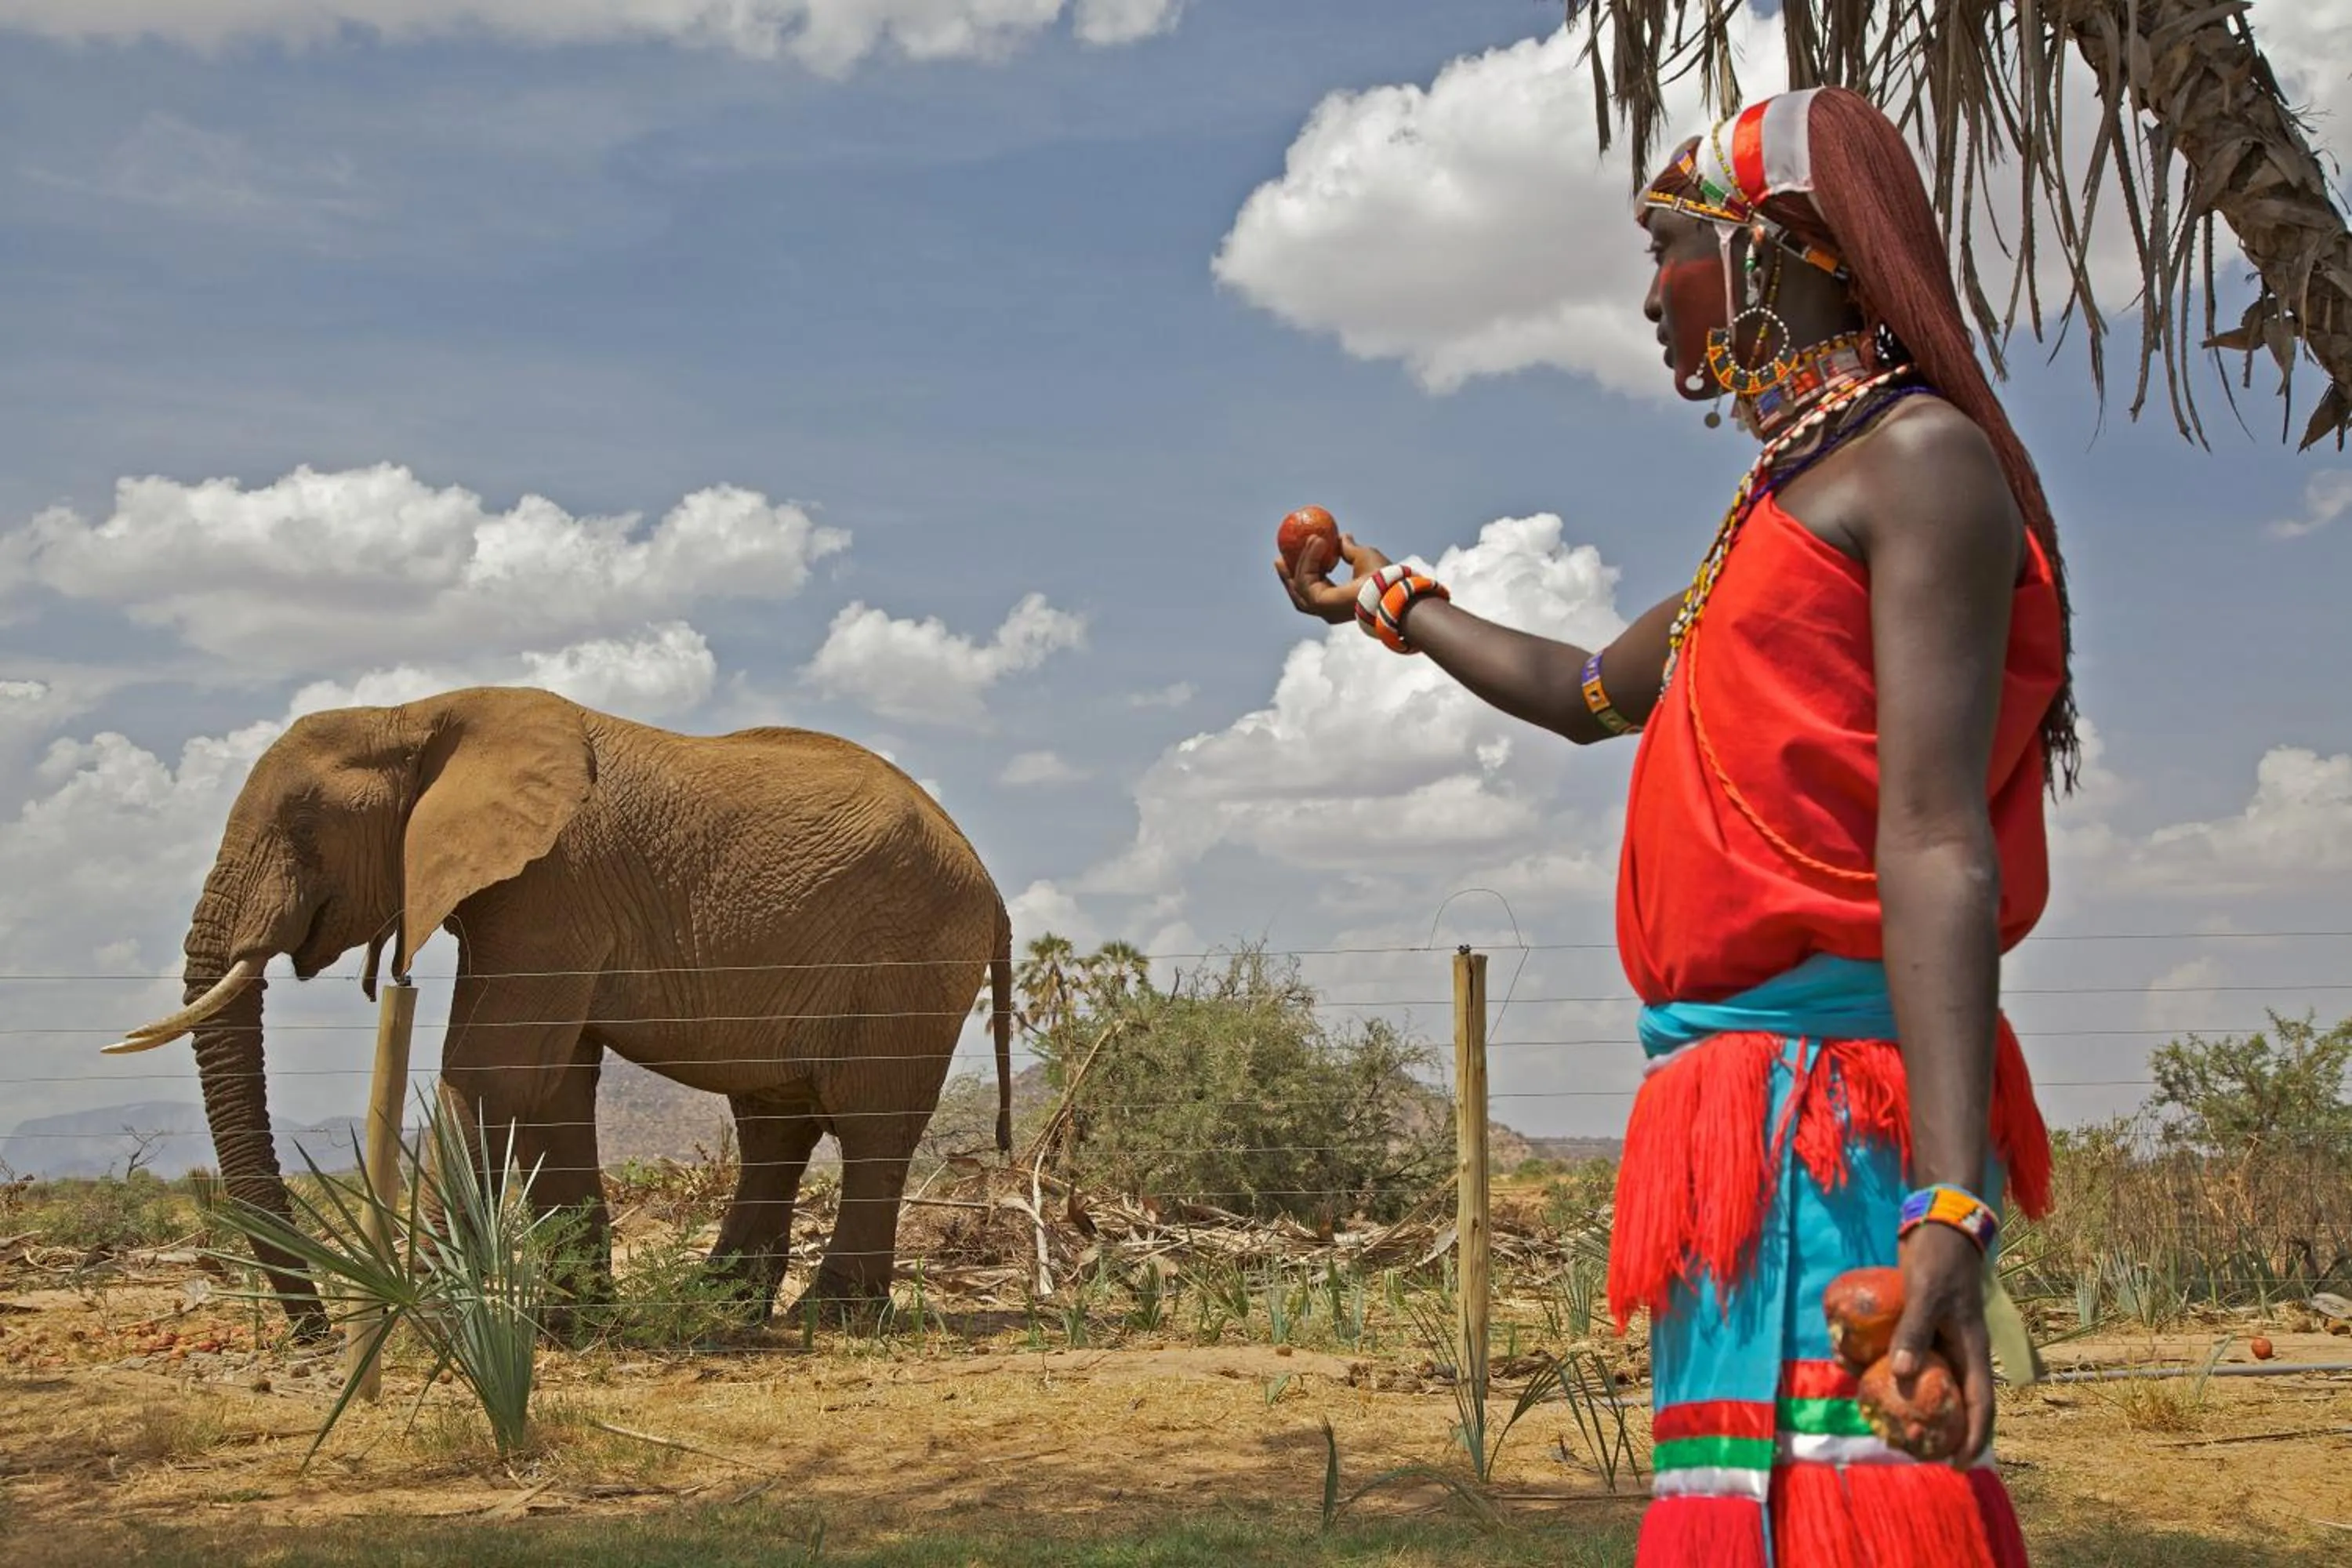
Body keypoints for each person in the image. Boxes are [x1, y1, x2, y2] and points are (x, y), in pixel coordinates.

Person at [1276, 86, 2068, 1567]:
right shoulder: (1775, 510)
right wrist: (1390, 600)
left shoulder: (1918, 464)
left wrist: (1948, 1207)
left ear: (1773, 253)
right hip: (1726, 1120)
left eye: (1669, 248)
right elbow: (1585, 691)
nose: (1650, 297)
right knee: (1740, 1504)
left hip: (1840, 1120)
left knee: (1856, 1511)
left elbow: (1936, 839)